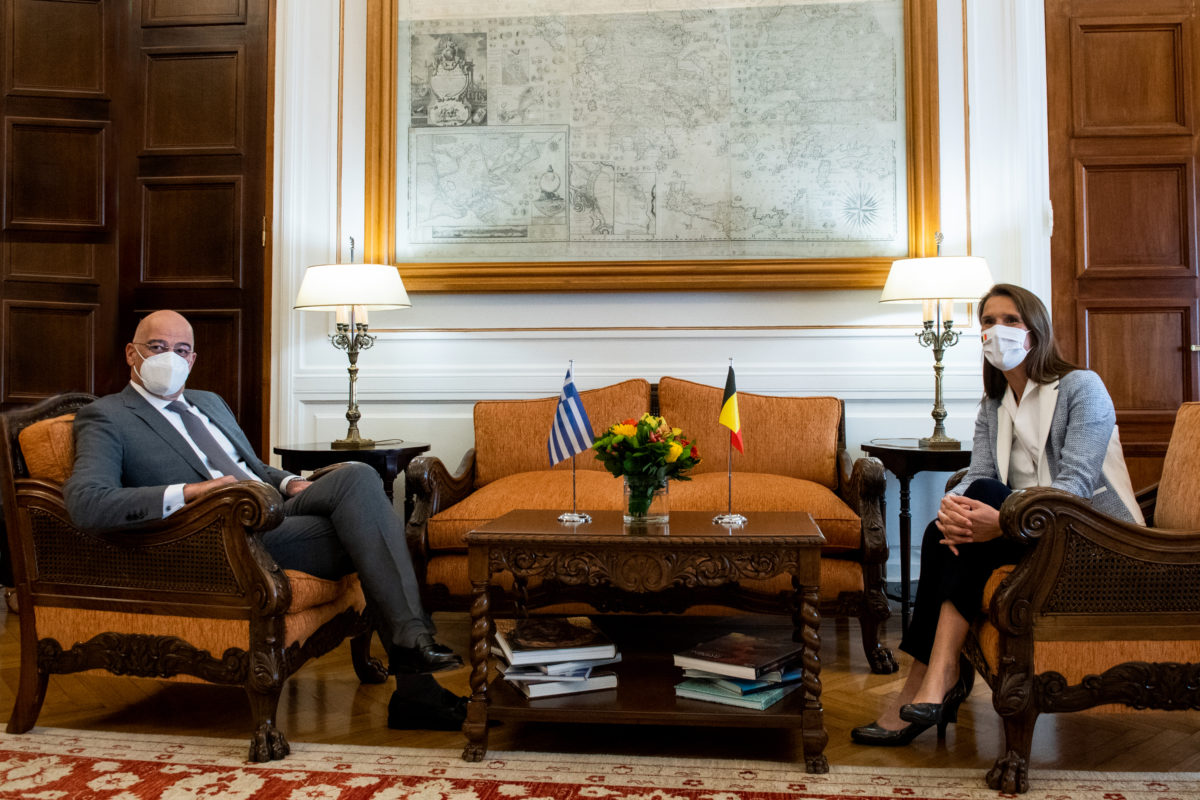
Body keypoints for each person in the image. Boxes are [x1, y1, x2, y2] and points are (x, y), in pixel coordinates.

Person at [63, 310, 466, 729]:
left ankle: (413, 663)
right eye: (158, 347)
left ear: (193, 360)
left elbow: (251, 466)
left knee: (358, 476)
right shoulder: (108, 416)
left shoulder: (208, 402)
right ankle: (416, 678)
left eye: (181, 350)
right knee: (371, 531)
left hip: (272, 506)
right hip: (225, 533)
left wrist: (289, 482)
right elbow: (87, 502)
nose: (171, 358)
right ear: (132, 354)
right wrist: (191, 491)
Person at [852, 283, 1144, 746]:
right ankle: (930, 680)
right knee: (942, 526)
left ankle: (931, 680)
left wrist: (1002, 519)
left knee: (981, 501)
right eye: (988, 321)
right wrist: (954, 505)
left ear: (1035, 331)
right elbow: (980, 473)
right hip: (1027, 535)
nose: (996, 330)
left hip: (1090, 537)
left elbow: (1074, 487)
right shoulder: (994, 405)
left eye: (1010, 320)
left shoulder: (1081, 387)